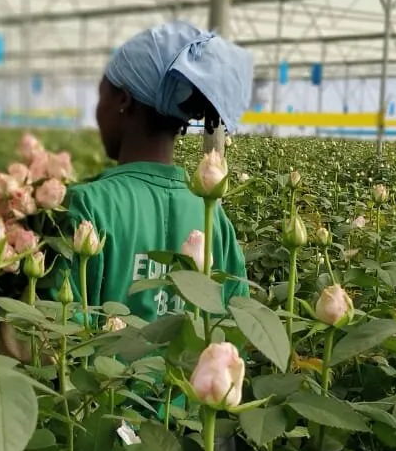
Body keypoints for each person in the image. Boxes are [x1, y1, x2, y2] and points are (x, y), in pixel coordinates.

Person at [56, 21, 254, 320]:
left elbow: (52, 339)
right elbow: (234, 331)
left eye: (102, 97)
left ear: (123, 100)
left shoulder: (86, 206)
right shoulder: (213, 217)